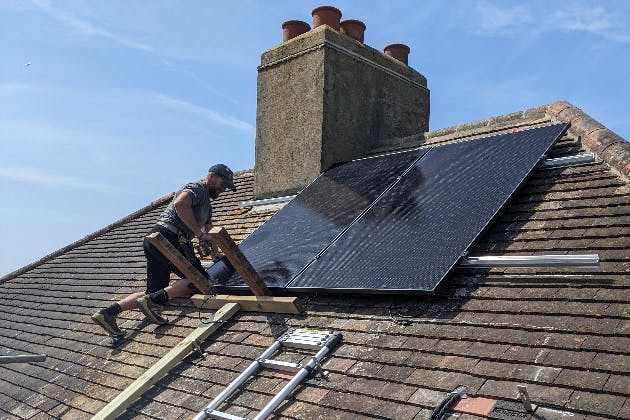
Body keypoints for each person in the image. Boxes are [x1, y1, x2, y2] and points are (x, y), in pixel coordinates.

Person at [91, 164, 236, 338]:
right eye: (222, 184)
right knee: (200, 282)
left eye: (227, 187)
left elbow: (210, 233)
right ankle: (153, 302)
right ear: (211, 176)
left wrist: (215, 254)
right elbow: (180, 203)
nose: (223, 189)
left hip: (155, 239)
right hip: (168, 238)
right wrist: (198, 234)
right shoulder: (197, 188)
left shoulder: (207, 207)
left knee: (154, 290)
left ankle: (108, 313)